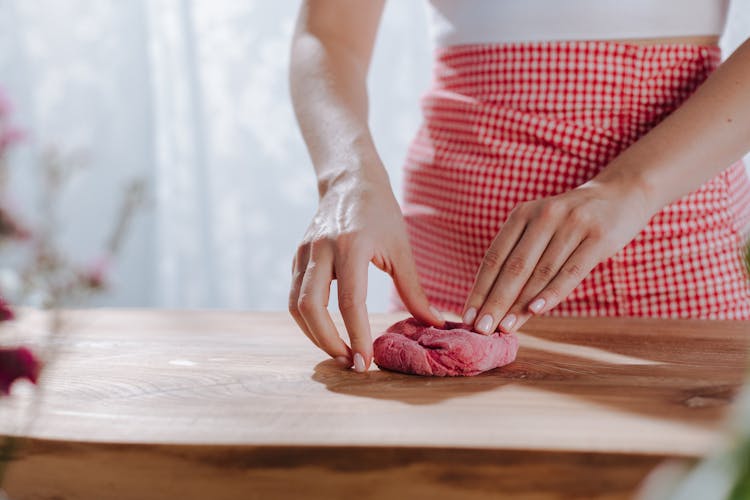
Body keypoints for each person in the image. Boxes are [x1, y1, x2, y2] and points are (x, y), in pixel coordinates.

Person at [288, 0, 750, 373]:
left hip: (670, 243)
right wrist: (346, 174)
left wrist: (632, 188)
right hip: (443, 257)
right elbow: (328, 33)